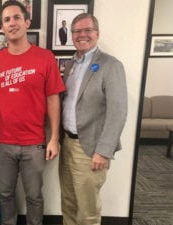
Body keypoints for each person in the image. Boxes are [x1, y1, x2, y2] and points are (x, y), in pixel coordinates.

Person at [0, 1, 65, 225]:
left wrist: (54, 138)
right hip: (2, 142)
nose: (12, 23)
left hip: (34, 142)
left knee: (34, 197)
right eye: (6, 20)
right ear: (2, 27)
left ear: (27, 22)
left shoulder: (45, 57)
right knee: (4, 195)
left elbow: (53, 99)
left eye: (16, 18)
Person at [59, 13, 128, 225]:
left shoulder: (111, 65)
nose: (82, 35)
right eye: (77, 31)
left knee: (87, 210)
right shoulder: (70, 65)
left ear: (96, 33)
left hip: (90, 149)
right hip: (67, 145)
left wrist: (103, 151)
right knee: (68, 203)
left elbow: (118, 111)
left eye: (87, 30)